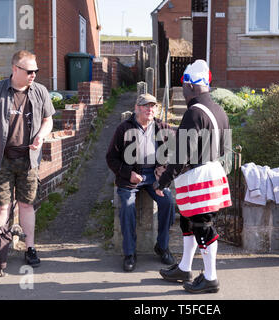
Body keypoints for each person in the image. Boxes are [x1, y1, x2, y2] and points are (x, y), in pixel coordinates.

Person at [154, 60, 231, 294]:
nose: (183, 91)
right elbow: (224, 147)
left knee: (202, 226)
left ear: (191, 86)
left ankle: (210, 278)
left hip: (199, 176)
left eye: (184, 86)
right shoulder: (218, 110)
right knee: (189, 222)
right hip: (211, 172)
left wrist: (163, 181)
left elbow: (180, 153)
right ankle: (185, 268)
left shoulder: (194, 113)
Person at [0, 50, 55, 267]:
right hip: (1, 159)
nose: (33, 75)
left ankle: (30, 248)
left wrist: (41, 135)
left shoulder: (40, 91)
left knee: (27, 205)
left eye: (36, 71)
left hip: (29, 160)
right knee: (1, 206)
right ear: (15, 69)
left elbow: (48, 120)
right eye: (29, 71)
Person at [106, 93, 176, 272]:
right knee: (128, 206)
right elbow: (111, 158)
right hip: (131, 178)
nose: (149, 109)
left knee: (167, 201)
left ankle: (162, 246)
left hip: (154, 176)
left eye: (153, 106)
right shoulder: (124, 128)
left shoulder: (162, 127)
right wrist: (128, 174)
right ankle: (129, 253)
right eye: (146, 106)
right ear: (137, 108)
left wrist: (164, 167)